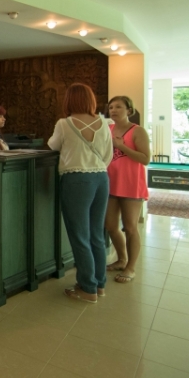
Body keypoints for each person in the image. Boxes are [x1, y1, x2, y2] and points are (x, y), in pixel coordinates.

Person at [48, 83, 113, 303]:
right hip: (101, 178)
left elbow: (53, 146)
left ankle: (87, 288)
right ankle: (99, 284)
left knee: (80, 236)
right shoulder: (104, 123)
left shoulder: (64, 124)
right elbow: (108, 154)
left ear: (69, 100)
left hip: (76, 180)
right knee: (96, 234)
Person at [104, 96, 150, 284]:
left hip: (131, 184)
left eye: (118, 107)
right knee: (110, 226)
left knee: (130, 227)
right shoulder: (107, 129)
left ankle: (131, 267)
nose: (114, 110)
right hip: (110, 183)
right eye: (111, 107)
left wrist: (122, 146)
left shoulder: (137, 131)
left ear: (129, 110)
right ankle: (121, 260)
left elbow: (145, 159)